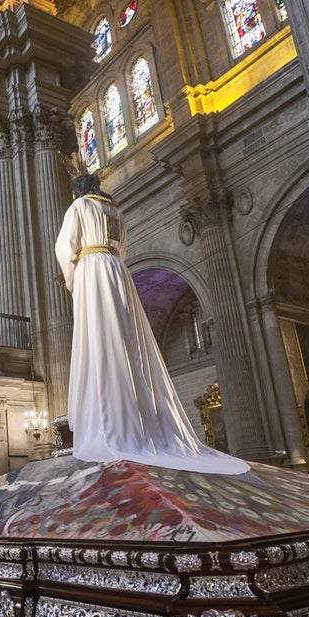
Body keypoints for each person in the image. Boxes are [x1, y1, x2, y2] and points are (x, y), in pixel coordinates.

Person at [54, 173, 249, 475]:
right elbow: (123, 247)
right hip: (117, 270)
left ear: (79, 190)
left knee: (99, 339)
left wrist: (71, 276)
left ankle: (110, 426)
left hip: (92, 269)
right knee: (126, 338)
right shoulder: (115, 209)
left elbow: (66, 247)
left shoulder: (80, 207)